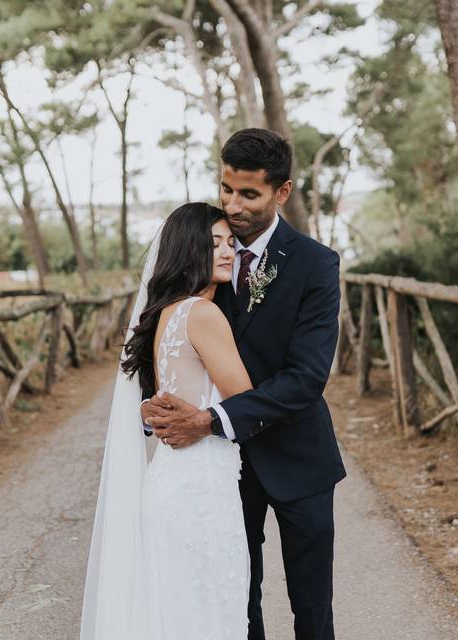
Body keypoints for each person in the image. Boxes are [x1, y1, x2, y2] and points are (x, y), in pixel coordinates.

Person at [143, 128, 346, 640]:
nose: (233, 205)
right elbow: (171, 347)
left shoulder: (315, 265)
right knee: (236, 600)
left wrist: (208, 421)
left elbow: (306, 378)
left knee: (313, 611)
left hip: (299, 455)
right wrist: (157, 412)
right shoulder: (202, 254)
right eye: (226, 189)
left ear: (281, 193)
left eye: (248, 194)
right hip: (226, 470)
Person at [80, 202, 252, 639]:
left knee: (175, 611)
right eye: (214, 244)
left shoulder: (165, 315)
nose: (228, 251)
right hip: (202, 486)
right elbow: (245, 398)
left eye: (231, 242)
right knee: (210, 610)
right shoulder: (203, 314)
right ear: (188, 249)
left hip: (170, 480)